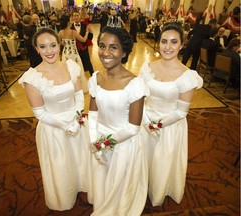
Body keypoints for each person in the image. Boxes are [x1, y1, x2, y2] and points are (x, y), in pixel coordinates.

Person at [18, 28, 89, 210]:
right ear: (37, 49)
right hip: (53, 127)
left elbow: (79, 94)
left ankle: (82, 184)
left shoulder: (71, 66)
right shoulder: (32, 78)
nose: (49, 51)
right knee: (61, 164)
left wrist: (77, 117)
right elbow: (39, 112)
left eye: (52, 45)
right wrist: (64, 125)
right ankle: (64, 195)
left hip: (76, 122)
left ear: (60, 45)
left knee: (80, 158)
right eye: (43, 47)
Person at [139, 22, 203, 206]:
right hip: (145, 121)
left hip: (169, 126)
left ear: (182, 45)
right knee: (143, 160)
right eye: (164, 41)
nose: (168, 47)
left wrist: (156, 125)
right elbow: (139, 97)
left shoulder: (187, 76)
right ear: (158, 42)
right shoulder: (147, 67)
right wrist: (145, 120)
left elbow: (181, 112)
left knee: (161, 163)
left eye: (174, 42)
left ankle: (159, 190)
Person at [87, 26, 149, 215]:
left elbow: (132, 128)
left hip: (123, 144)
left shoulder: (134, 83)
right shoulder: (96, 78)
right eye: (102, 46)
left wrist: (104, 143)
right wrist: (93, 141)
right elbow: (92, 113)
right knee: (103, 181)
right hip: (99, 139)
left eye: (113, 48)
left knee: (119, 186)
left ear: (124, 53)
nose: (106, 53)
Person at [58, 14, 90, 93]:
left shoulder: (60, 32)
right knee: (78, 71)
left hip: (65, 54)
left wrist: (63, 43)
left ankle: (69, 89)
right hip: (74, 54)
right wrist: (87, 32)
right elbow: (83, 40)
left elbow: (58, 42)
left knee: (67, 71)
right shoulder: (73, 32)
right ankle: (79, 87)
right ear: (69, 23)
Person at [71, 10, 94, 76]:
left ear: (80, 16)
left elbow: (90, 37)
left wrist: (91, 31)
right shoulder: (70, 27)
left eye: (77, 15)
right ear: (72, 17)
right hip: (75, 50)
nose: (76, 17)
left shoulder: (84, 25)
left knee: (89, 64)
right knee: (76, 65)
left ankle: (93, 78)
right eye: (74, 16)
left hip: (84, 48)